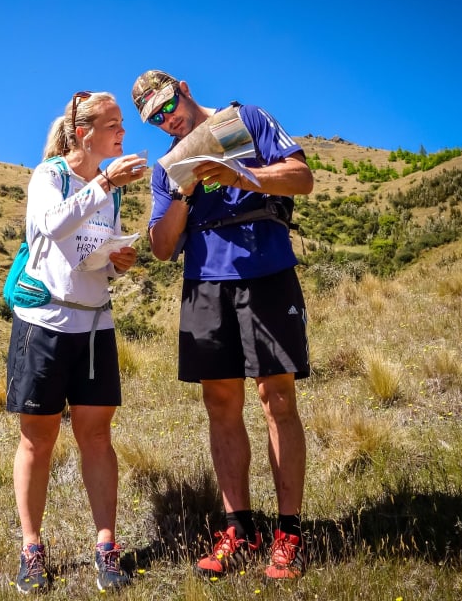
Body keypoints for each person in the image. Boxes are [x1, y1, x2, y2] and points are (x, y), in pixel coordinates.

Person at [132, 70, 313, 580]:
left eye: (168, 105)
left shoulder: (245, 120)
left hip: (266, 271)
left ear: (183, 88)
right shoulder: (167, 167)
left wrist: (241, 177)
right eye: (154, 118)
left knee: (277, 399)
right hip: (205, 284)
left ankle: (289, 534)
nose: (166, 119)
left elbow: (302, 177)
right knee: (220, 404)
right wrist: (183, 191)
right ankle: (240, 529)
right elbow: (162, 247)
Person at [6, 90, 147, 594]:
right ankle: (31, 549)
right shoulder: (50, 176)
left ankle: (106, 546)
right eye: (114, 125)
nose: (123, 133)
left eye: (122, 124)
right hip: (43, 323)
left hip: (94, 326)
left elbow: (94, 255)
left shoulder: (115, 190)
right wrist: (105, 182)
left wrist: (118, 262)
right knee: (37, 439)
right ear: (84, 133)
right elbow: (52, 225)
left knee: (97, 436)